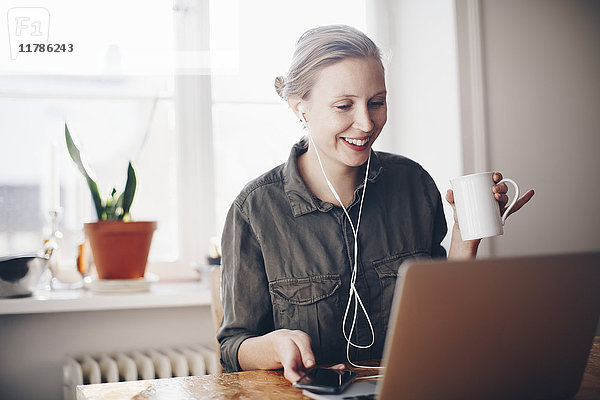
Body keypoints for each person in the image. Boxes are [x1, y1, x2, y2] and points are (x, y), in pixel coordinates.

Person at [217, 25, 534, 383]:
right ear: (299, 107)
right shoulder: (254, 211)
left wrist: (467, 233)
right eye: (343, 106)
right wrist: (277, 345)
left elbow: (443, 321)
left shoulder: (413, 184)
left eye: (377, 102)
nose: (366, 123)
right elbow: (233, 348)